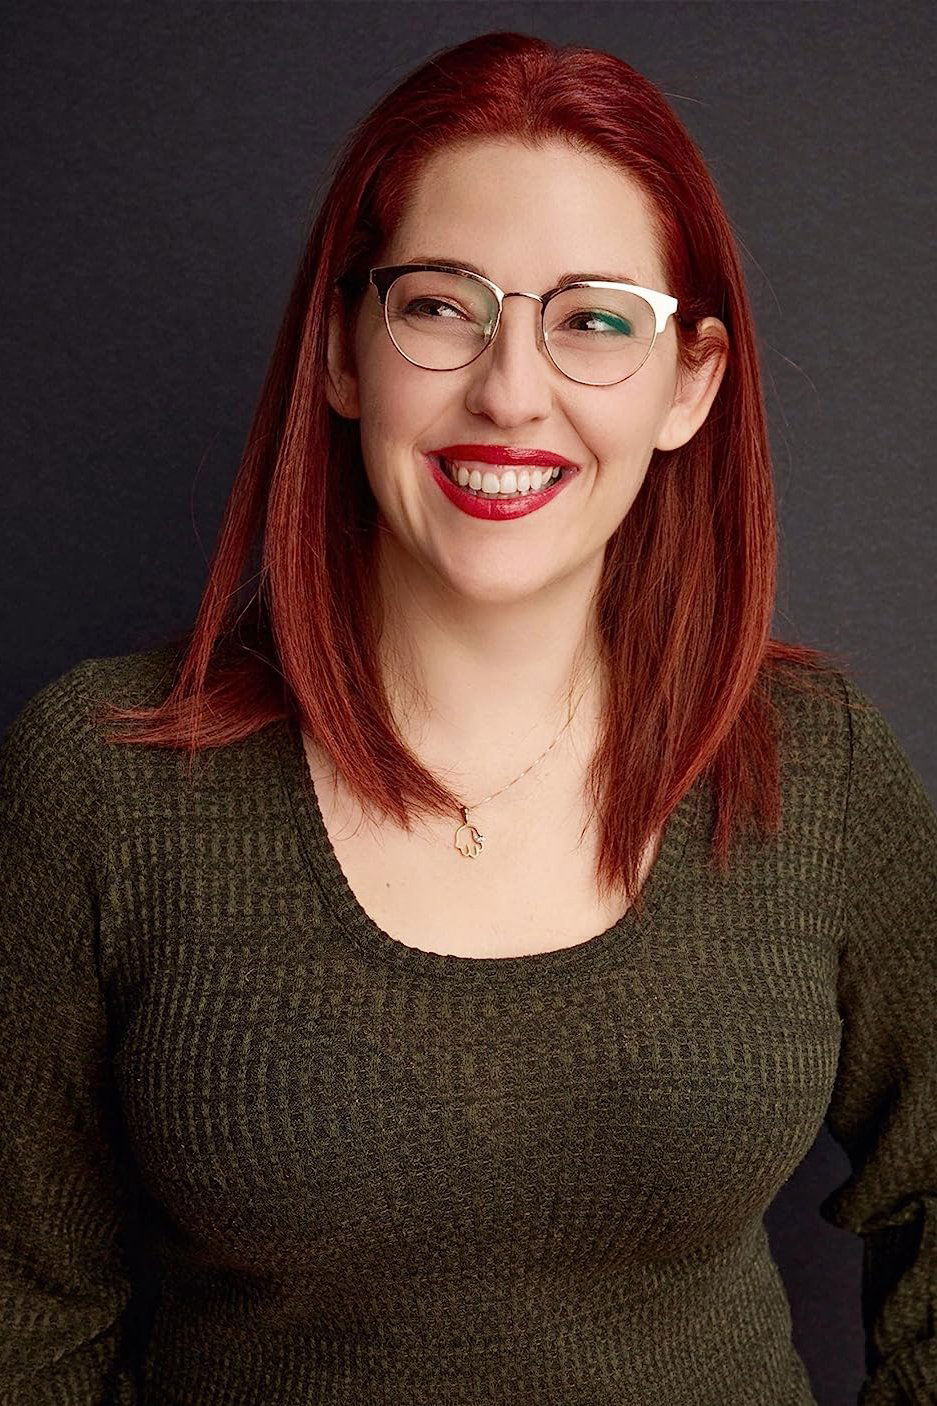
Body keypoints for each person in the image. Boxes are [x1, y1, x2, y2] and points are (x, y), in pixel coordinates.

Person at [1, 29, 934, 1406]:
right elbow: (24, 1325)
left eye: (594, 318)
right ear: (340, 350)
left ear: (690, 384)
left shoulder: (811, 760)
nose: (509, 390)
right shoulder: (100, 779)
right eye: (441, 307)